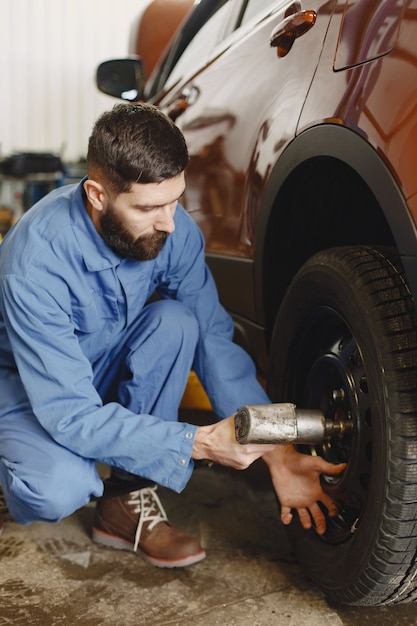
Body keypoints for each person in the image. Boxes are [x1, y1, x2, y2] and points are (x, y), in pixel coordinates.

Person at [0, 103, 345, 568]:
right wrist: (197, 442)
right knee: (59, 486)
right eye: (147, 207)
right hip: (29, 381)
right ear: (97, 195)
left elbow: (214, 337)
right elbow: (70, 413)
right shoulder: (36, 261)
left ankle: (124, 501)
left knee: (177, 321)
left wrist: (278, 453)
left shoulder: (171, 228)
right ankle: (14, 462)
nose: (168, 221)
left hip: (94, 363)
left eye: (175, 200)